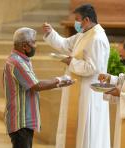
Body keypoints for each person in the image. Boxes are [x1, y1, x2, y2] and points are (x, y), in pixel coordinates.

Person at [42, 4, 110, 148]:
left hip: (88, 93)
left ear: (86, 19)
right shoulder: (84, 33)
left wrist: (71, 61)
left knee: (85, 133)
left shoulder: (97, 38)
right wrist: (51, 33)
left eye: (78, 19)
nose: (76, 23)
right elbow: (65, 44)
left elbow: (93, 68)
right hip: (78, 89)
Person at [3, 27, 74, 148]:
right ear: (25, 46)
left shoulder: (21, 59)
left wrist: (58, 82)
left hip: (23, 121)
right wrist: (60, 79)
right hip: (21, 121)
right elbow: (36, 85)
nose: (36, 45)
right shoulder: (17, 62)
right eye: (34, 42)